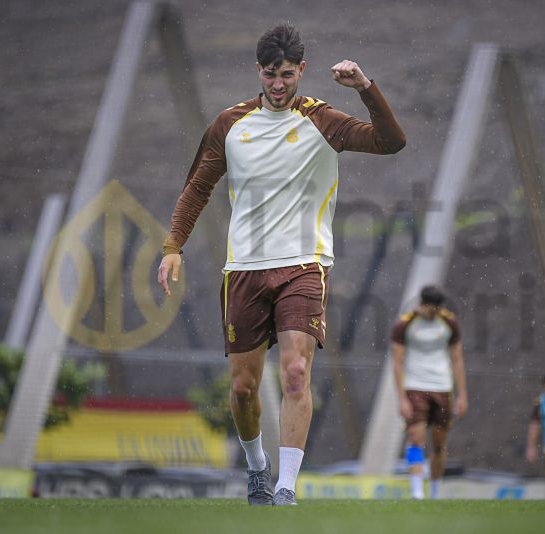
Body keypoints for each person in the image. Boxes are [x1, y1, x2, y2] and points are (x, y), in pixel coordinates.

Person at [157, 23, 405, 506]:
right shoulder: (230, 124)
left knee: (295, 372)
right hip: (244, 269)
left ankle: (287, 488)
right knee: (244, 388)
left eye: (287, 75)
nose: (278, 84)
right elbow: (197, 187)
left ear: (302, 72)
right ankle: (257, 469)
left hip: (303, 264)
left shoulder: (322, 120)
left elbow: (390, 142)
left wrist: (365, 89)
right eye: (271, 74)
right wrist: (173, 246)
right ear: (258, 71)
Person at [391, 285, 468, 499]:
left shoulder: (449, 323)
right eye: (430, 309)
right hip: (415, 386)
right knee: (416, 437)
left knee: (439, 443)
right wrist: (402, 398)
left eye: (436, 309)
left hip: (443, 387)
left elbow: (457, 358)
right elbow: (397, 363)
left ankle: (434, 489)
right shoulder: (405, 324)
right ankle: (417, 491)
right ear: (422, 304)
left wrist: (462, 394)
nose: (433, 313)